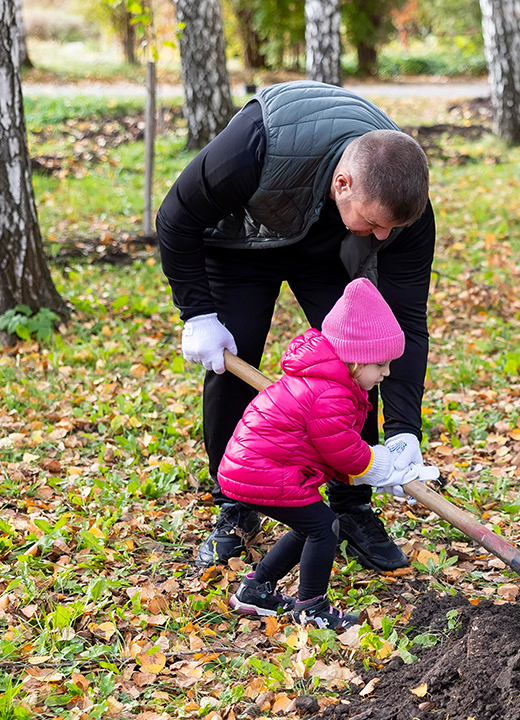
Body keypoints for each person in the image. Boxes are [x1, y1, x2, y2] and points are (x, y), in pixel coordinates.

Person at [156, 80, 437, 571]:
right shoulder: (254, 145)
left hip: (326, 251)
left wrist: (404, 430)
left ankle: (353, 508)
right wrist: (197, 313)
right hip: (239, 246)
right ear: (344, 183)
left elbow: (406, 322)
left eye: (392, 229)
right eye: (375, 224)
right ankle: (236, 505)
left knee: (358, 363)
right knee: (232, 358)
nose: (384, 237)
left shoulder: (401, 207)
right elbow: (175, 218)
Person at [222, 278, 409, 629]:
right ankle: (312, 607)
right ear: (355, 360)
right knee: (325, 529)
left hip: (254, 468)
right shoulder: (330, 393)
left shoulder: (327, 383)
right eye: (381, 364)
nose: (386, 372)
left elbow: (331, 453)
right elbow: (344, 451)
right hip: (263, 472)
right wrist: (382, 467)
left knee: (313, 524)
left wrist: (377, 469)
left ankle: (255, 590)